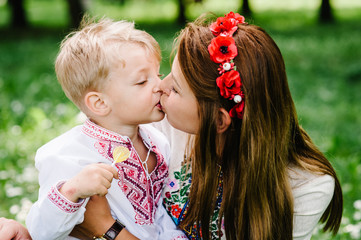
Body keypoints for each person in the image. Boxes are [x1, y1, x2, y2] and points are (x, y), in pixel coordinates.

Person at [72, 12, 343, 240]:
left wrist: (108, 229)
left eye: (175, 88)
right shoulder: (162, 126)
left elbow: (100, 220)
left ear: (219, 120)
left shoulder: (305, 186)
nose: (160, 88)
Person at [25, 17, 186, 240]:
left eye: (157, 75)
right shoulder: (68, 154)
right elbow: (41, 232)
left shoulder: (157, 142)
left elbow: (162, 213)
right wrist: (71, 191)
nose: (159, 86)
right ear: (100, 103)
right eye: (142, 82)